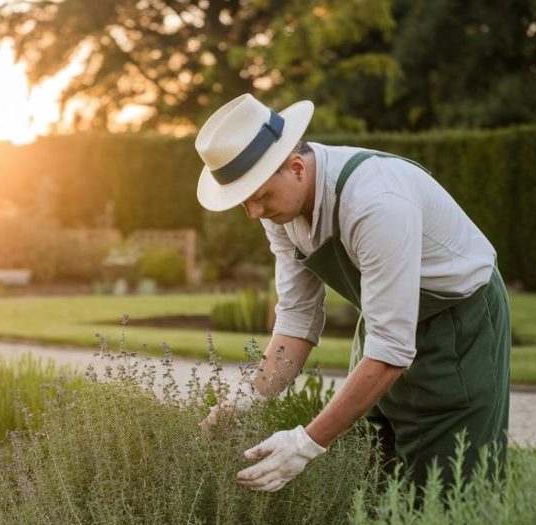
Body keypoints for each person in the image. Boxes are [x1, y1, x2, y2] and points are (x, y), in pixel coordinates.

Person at [195, 93, 510, 493]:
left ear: (295, 168)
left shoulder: (377, 203)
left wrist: (305, 444)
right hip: (384, 328)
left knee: (451, 487)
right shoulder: (280, 208)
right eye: (244, 202)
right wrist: (247, 399)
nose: (254, 213)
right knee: (373, 478)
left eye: (260, 197)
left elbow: (391, 351)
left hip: (459, 331)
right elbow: (296, 318)